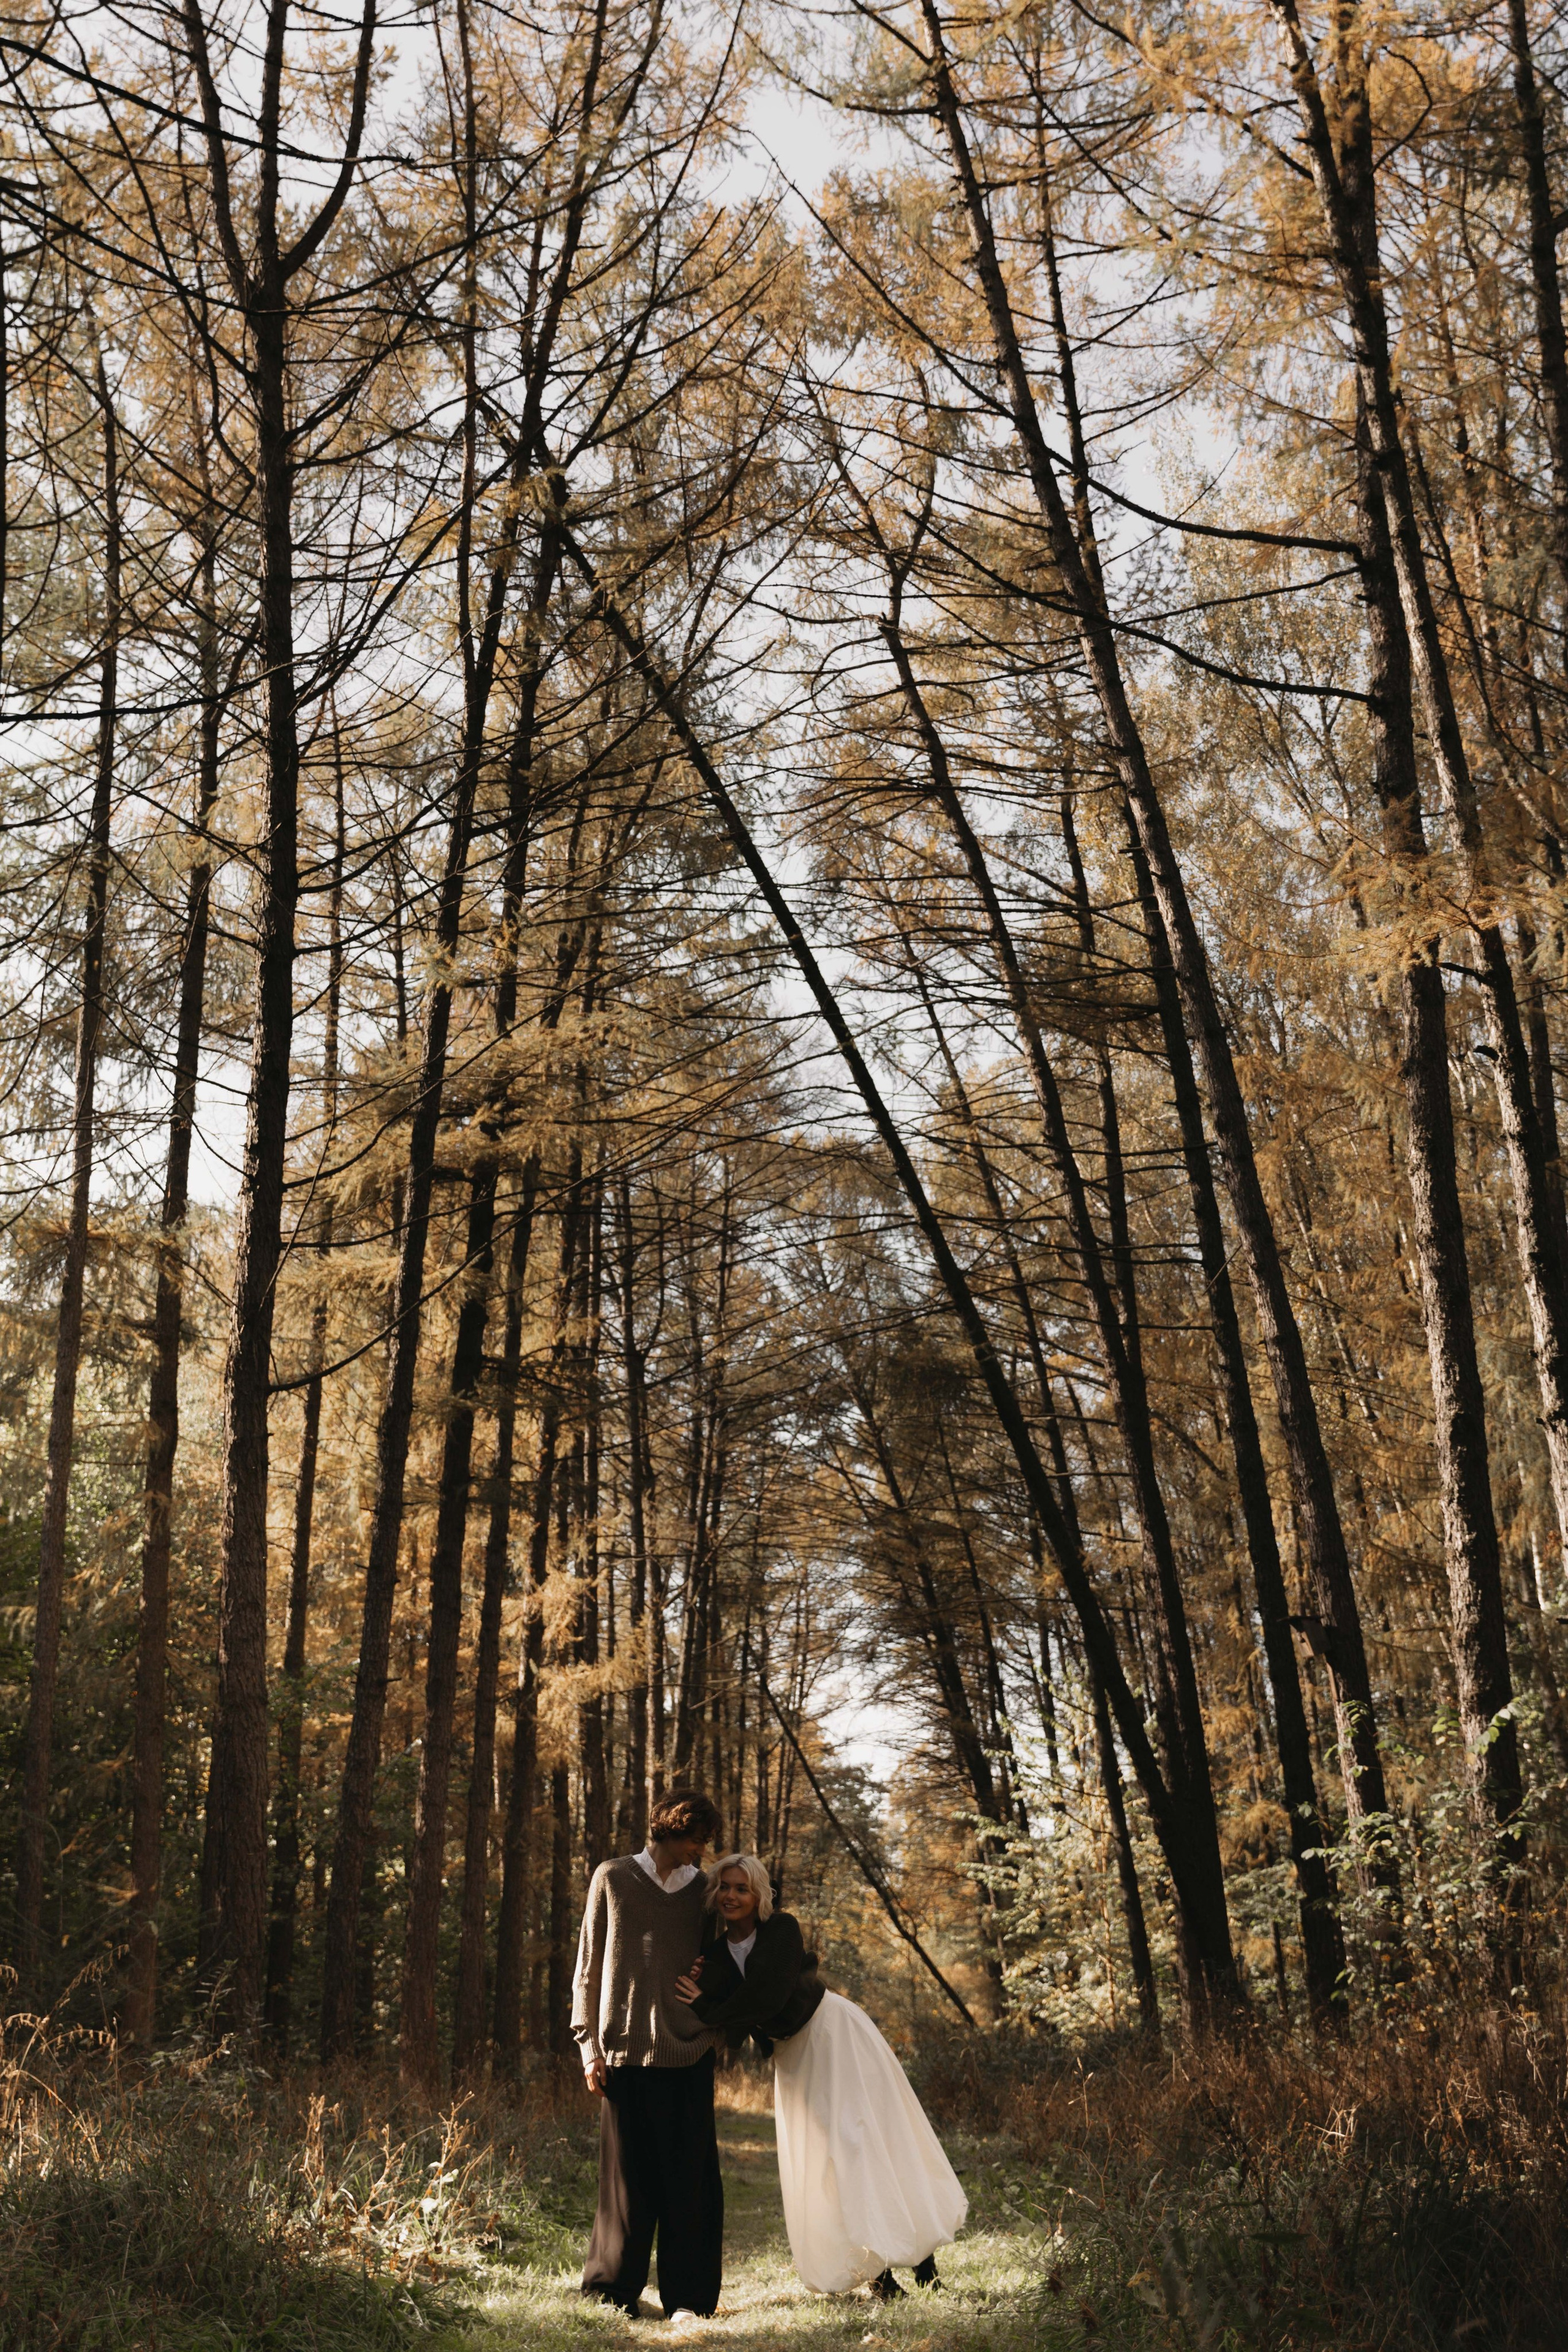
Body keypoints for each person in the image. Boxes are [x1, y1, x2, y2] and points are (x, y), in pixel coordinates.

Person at [676, 1852, 967, 2302]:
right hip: (794, 2056)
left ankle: (925, 2267)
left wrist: (709, 2005)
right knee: (832, 2158)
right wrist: (710, 1990)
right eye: (725, 1887)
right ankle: (877, 2275)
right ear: (714, 1895)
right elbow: (740, 2016)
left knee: (870, 2142)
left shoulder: (782, 1931)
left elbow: (765, 1998)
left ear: (758, 1895)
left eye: (742, 1888)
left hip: (835, 2035)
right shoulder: (713, 1956)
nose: (731, 1896)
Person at [571, 1788, 725, 2327]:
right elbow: (589, 1964)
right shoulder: (611, 1878)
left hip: (688, 2051)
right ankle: (612, 2293)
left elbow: (717, 1964)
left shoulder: (704, 1892)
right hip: (624, 2055)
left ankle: (689, 2300)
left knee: (689, 2184)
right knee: (626, 2188)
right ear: (671, 1830)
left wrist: (712, 2006)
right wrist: (588, 2045)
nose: (699, 1852)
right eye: (694, 1840)